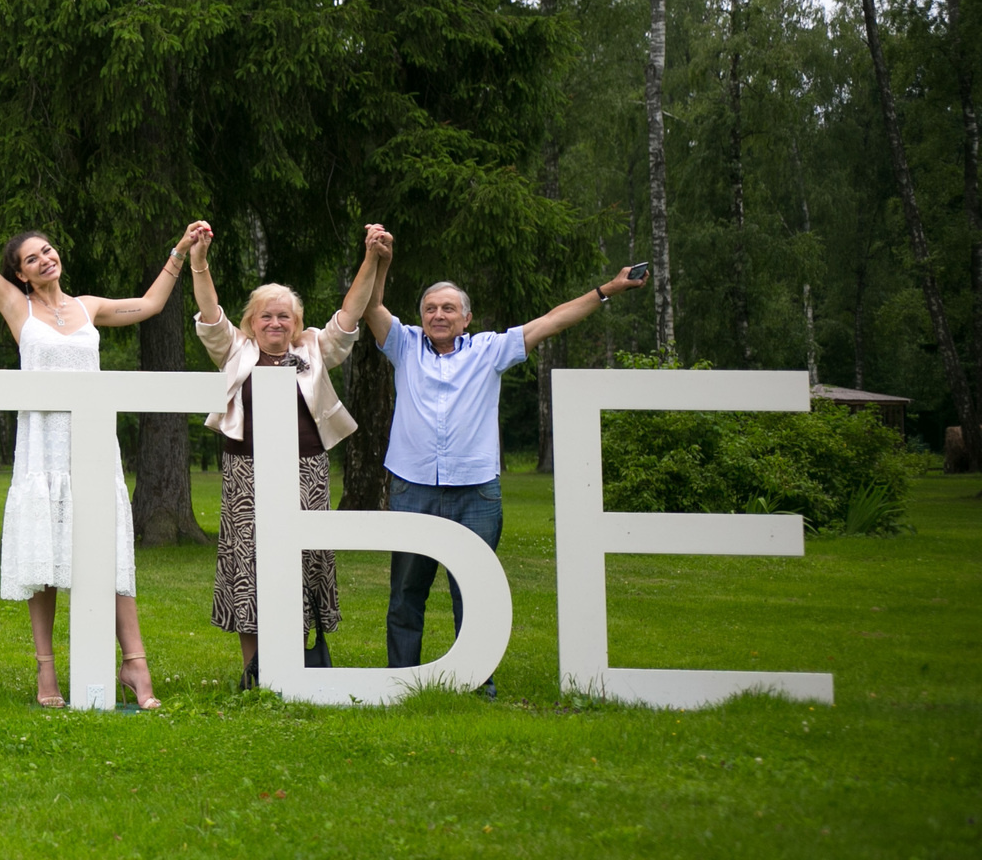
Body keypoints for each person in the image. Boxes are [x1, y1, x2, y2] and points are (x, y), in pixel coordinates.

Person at [0, 160, 206, 709]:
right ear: (20, 273)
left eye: (47, 250)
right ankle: (47, 675)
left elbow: (152, 304)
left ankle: (135, 666)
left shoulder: (88, 308)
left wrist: (181, 251)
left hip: (93, 446)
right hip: (42, 445)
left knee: (108, 551)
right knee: (43, 559)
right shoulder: (16, 308)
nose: (45, 259)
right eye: (31, 258)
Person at [369, 263, 647, 692]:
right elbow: (370, 305)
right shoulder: (403, 345)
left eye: (448, 308)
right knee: (406, 593)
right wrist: (381, 261)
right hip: (413, 487)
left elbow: (554, 320)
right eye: (429, 308)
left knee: (475, 593)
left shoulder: (490, 349)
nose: (438, 315)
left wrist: (607, 289)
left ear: (466, 318)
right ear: (420, 316)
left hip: (476, 492)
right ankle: (399, 684)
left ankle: (479, 685)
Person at [190, 223, 389, 687]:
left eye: (284, 317)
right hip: (246, 473)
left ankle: (299, 665)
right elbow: (210, 312)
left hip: (306, 471)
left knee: (304, 561)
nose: (275, 324)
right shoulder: (234, 351)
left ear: (296, 324)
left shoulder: (315, 349)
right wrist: (199, 260)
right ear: (251, 323)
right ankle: (253, 670)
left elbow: (350, 313)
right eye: (265, 317)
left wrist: (370, 258)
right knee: (250, 565)